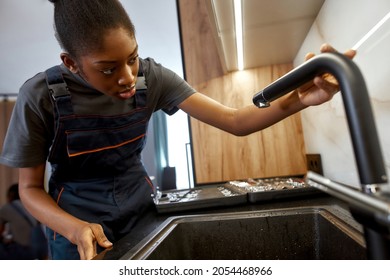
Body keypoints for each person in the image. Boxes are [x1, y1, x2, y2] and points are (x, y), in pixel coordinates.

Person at [0, 0, 356, 260]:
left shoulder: (151, 78)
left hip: (139, 209)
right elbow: (30, 189)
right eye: (108, 69)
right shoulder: (40, 97)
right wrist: (73, 228)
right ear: (71, 63)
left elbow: (235, 121)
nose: (127, 77)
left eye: (132, 57)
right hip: (74, 224)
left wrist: (300, 99)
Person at [0, 184, 47, 259]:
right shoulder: (32, 206)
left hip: (24, 251)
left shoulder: (7, 208)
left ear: (10, 196)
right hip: (41, 249)